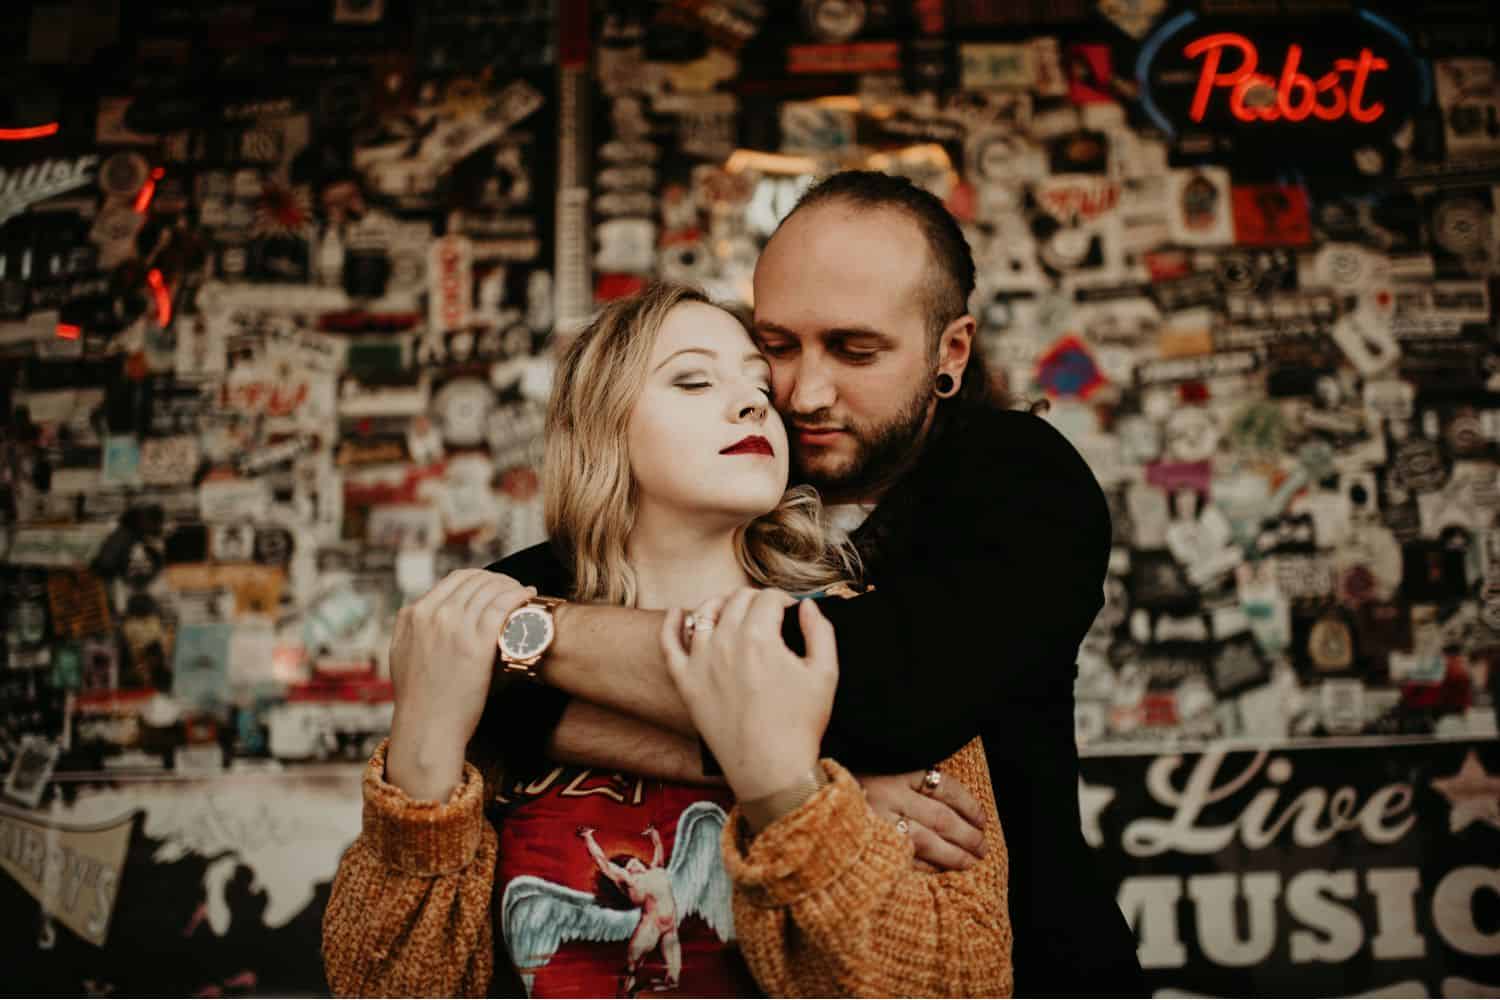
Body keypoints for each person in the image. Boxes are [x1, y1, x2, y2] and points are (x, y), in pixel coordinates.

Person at [481, 170, 1145, 995]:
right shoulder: (732, 488)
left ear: (952, 352)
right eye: (778, 347)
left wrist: (538, 636)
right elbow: (466, 667)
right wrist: (828, 790)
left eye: (856, 350)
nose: (804, 393)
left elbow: (883, 697)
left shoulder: (1016, 477)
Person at [323, 281, 1014, 997]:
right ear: (601, 430)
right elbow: (386, 985)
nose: (752, 403)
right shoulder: (493, 656)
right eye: (691, 379)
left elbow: (957, 980)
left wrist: (794, 800)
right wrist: (425, 762)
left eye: (757, 384)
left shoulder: (868, 642)